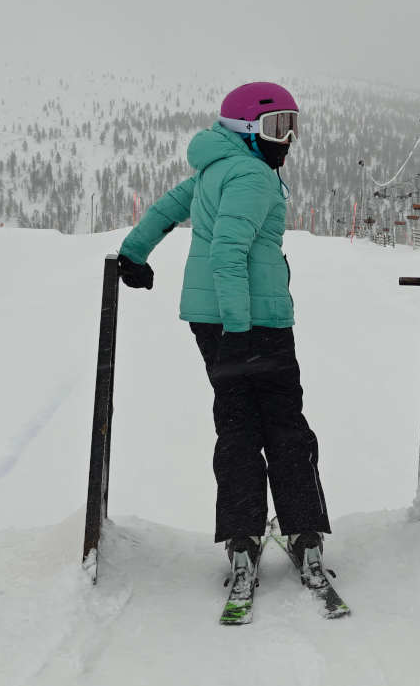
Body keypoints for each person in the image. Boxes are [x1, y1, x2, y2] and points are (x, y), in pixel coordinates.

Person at [116, 82, 330, 578]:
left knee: (237, 424)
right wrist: (240, 329)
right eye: (277, 127)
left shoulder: (214, 168)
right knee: (284, 425)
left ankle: (242, 535)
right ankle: (303, 530)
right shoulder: (252, 176)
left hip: (214, 322)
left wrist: (133, 253)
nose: (288, 139)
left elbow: (166, 209)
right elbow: (227, 253)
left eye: (293, 126)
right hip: (254, 321)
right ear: (246, 129)